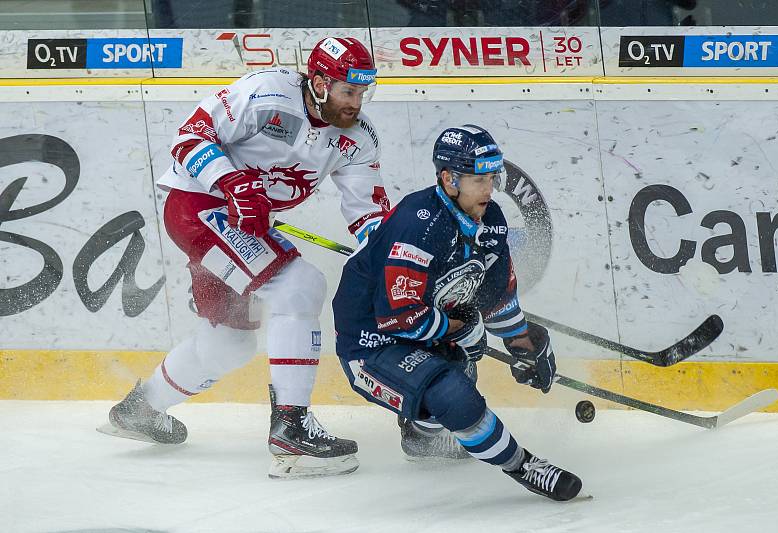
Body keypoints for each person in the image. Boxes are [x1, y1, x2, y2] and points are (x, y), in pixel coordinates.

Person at [101, 36, 390, 480]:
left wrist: (393, 255)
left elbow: (367, 210)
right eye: (347, 91)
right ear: (318, 81)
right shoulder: (266, 91)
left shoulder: (358, 138)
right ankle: (291, 426)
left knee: (229, 343)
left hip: (245, 225)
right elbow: (188, 137)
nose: (355, 103)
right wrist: (233, 182)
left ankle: (139, 410)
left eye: (361, 93)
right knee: (301, 285)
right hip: (199, 207)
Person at [332, 125, 582, 501]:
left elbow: (496, 294)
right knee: (454, 395)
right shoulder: (418, 227)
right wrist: (463, 331)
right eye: (478, 179)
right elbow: (401, 318)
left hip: (425, 326)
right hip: (371, 342)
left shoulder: (491, 218)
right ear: (449, 179)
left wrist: (522, 340)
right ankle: (522, 465)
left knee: (459, 369)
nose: (488, 189)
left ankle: (421, 435)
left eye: (491, 178)